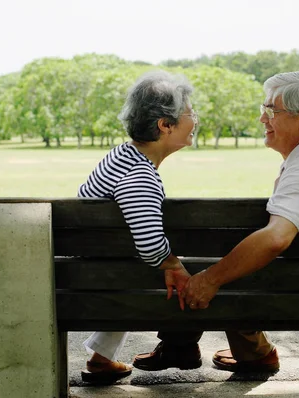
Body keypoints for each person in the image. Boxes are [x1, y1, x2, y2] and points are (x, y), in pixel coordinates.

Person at [133, 71, 299, 373]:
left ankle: (195, 348)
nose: (262, 119)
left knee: (214, 266)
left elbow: (276, 238)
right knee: (222, 260)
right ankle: (240, 351)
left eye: (271, 111)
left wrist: (210, 279)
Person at [77, 70, 199, 384]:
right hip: (104, 281)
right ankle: (186, 347)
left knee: (138, 266)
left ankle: (101, 359)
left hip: (95, 271)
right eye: (189, 112)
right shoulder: (140, 176)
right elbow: (149, 245)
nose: (195, 119)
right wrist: (174, 264)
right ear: (165, 125)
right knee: (200, 273)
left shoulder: (121, 157)